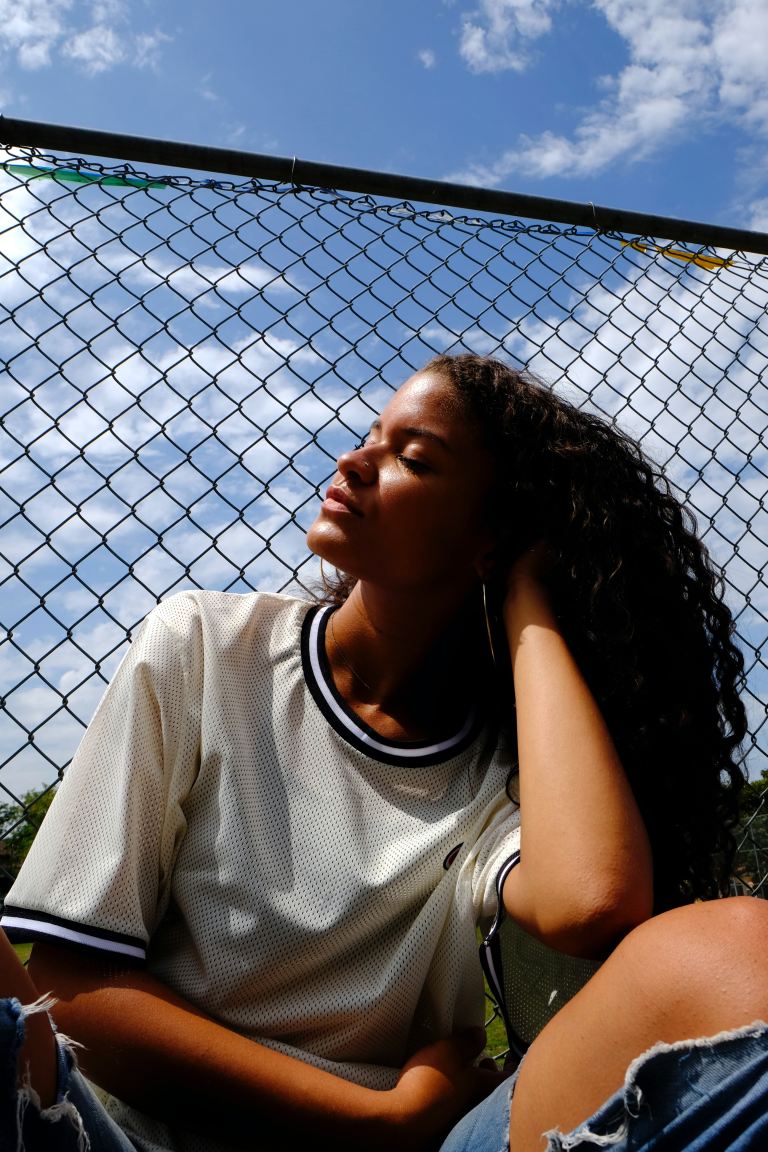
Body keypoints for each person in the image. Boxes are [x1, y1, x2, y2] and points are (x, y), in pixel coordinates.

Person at [1, 353, 765, 1151]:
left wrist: (526, 602)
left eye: (412, 458)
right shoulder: (205, 644)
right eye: (373, 433)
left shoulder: (504, 774)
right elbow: (69, 988)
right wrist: (371, 1118)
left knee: (743, 943)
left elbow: (593, 898)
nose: (353, 459)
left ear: (489, 540)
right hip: (135, 1137)